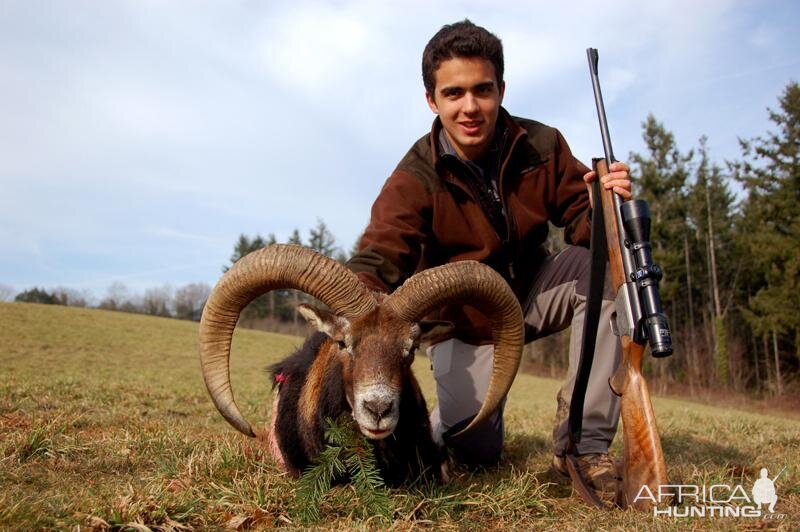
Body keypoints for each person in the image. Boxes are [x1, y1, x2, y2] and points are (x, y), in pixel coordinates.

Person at [347, 19, 631, 495]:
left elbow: (587, 225)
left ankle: (583, 445)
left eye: (482, 89)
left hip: (532, 295)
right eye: (454, 93)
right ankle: (448, 421)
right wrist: (355, 310)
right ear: (432, 101)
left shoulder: (542, 145)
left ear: (501, 88)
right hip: (465, 326)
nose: (470, 107)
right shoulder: (414, 178)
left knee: (602, 276)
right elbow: (376, 259)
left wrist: (608, 205)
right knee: (476, 455)